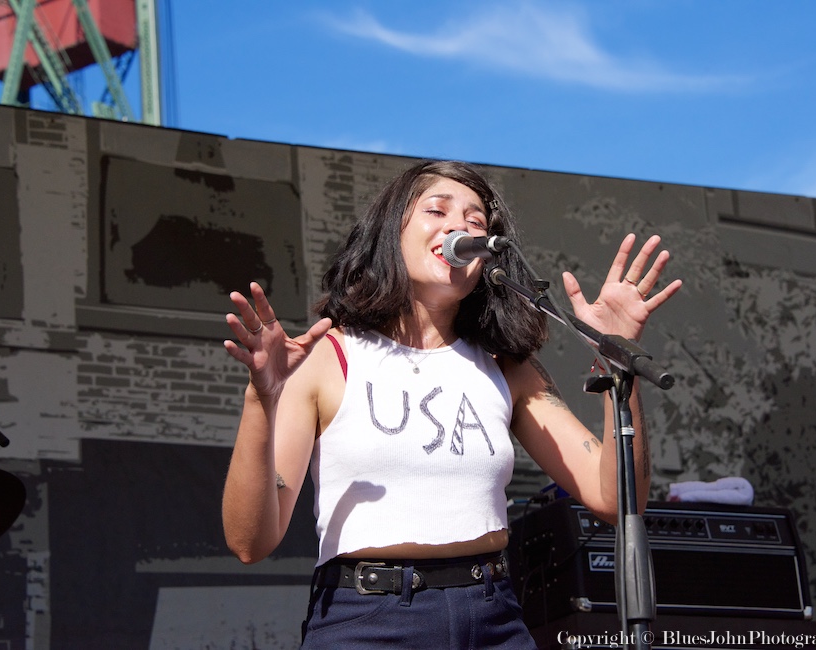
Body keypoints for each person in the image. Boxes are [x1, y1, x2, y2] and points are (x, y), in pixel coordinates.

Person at [221, 160, 681, 648]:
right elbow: (250, 542)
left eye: (476, 222)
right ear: (390, 231)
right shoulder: (327, 357)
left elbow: (615, 498)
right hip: (368, 620)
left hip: (493, 615)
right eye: (436, 211)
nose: (459, 226)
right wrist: (260, 399)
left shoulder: (505, 366)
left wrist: (617, 365)